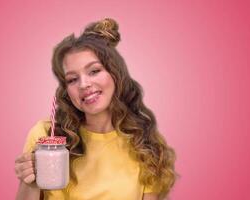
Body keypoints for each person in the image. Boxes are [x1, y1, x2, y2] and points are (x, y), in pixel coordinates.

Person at [15, 18, 177, 200]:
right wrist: (31, 183)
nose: (84, 84)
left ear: (116, 75)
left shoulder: (145, 142)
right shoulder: (45, 136)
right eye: (72, 79)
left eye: (94, 71)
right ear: (66, 90)